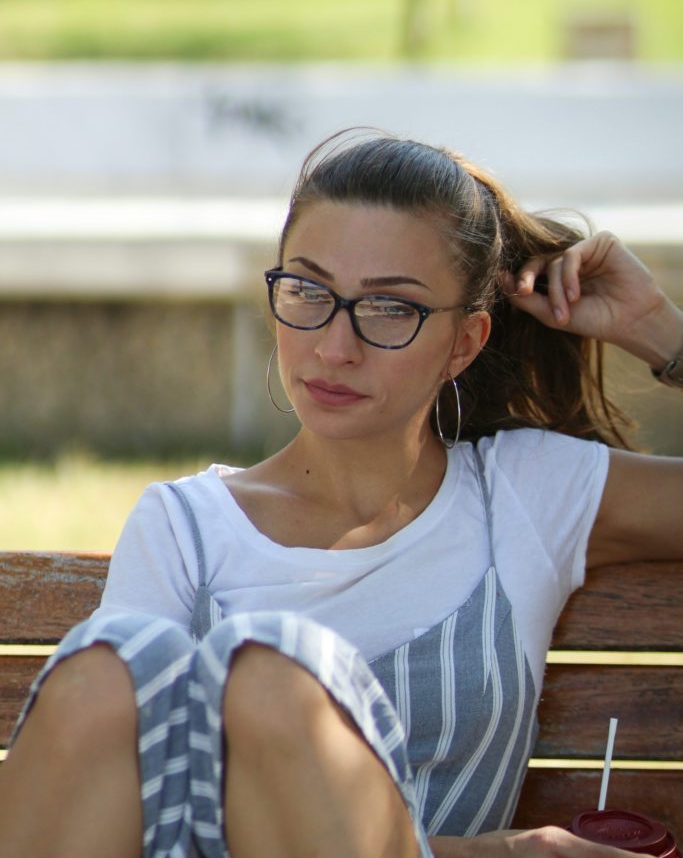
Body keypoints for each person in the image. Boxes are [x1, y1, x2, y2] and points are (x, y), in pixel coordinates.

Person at [1, 130, 682, 858]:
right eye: (308, 291)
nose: (334, 346)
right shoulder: (186, 526)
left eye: (390, 308)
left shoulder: (523, 495)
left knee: (270, 669)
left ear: (465, 341)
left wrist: (658, 330)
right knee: (110, 666)